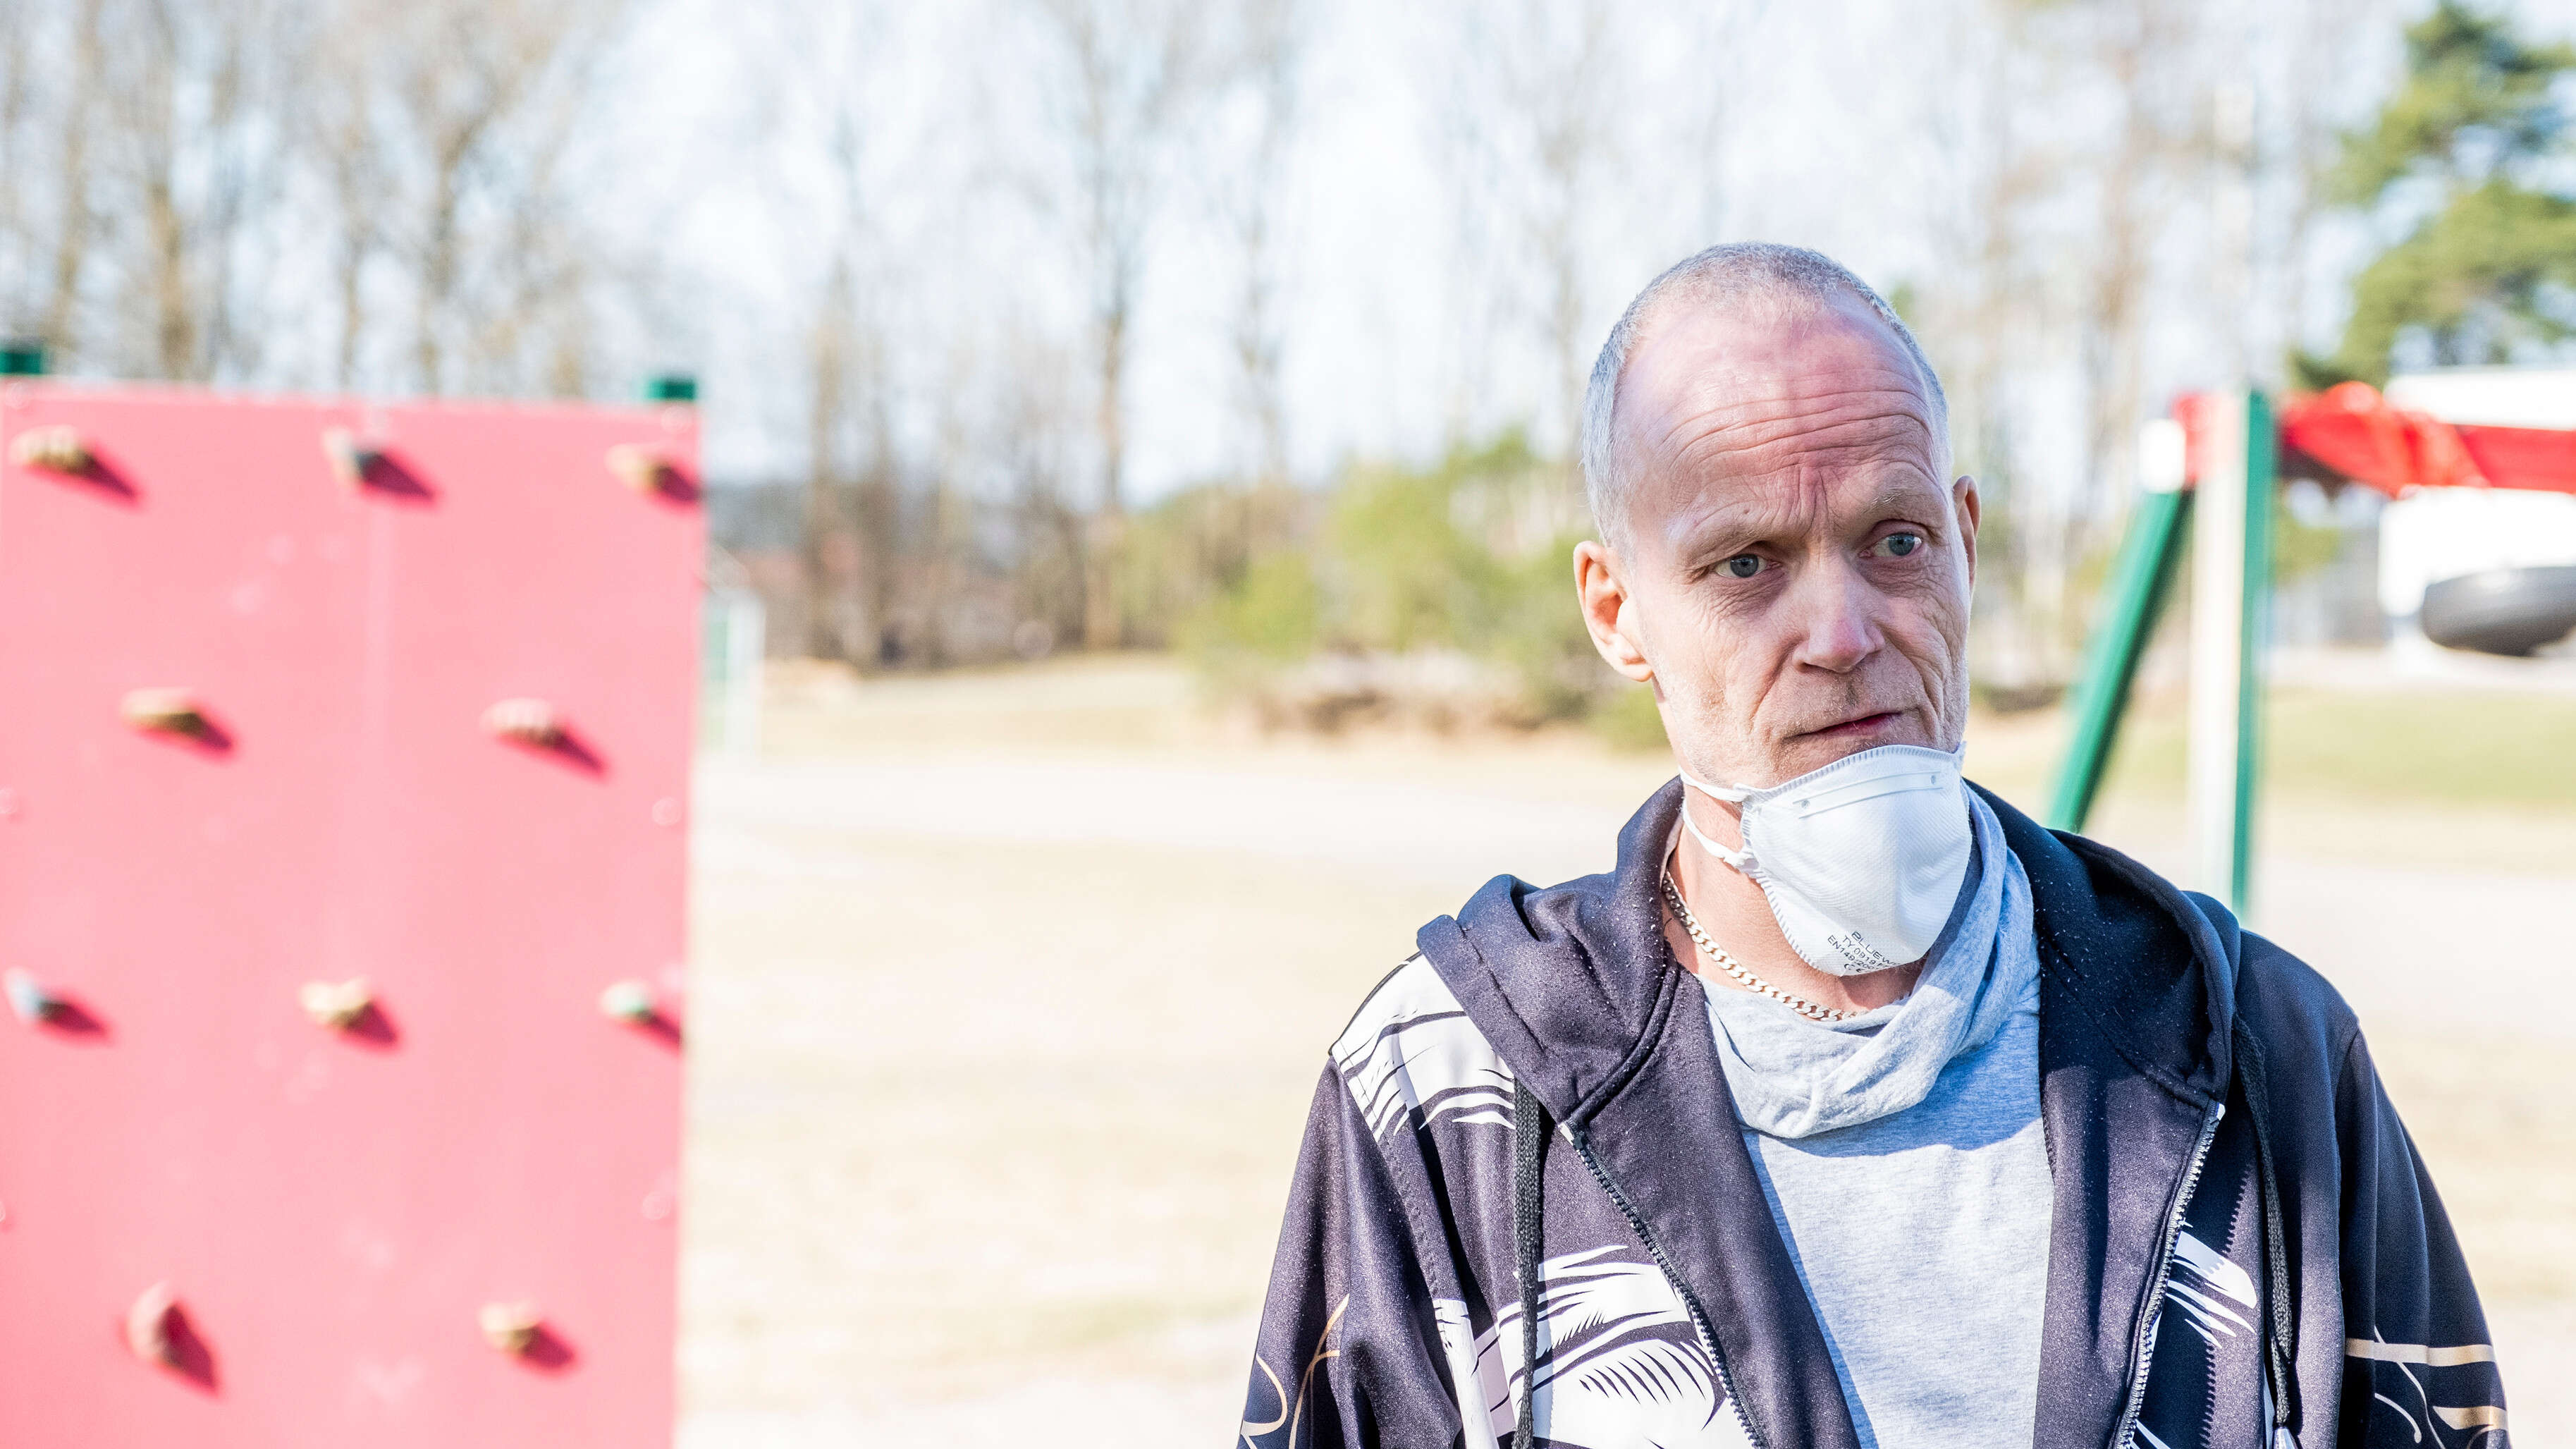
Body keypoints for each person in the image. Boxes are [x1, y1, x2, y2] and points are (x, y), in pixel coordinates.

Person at [1237, 243, 2505, 1449]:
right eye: (1745, 564)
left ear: (1965, 541)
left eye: (1894, 541)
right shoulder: (1451, 1085)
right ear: (1617, 614)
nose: (1842, 632)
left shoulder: (2257, 1051)